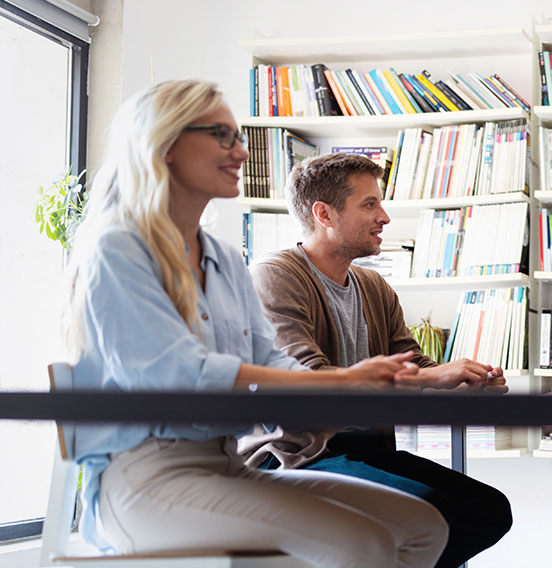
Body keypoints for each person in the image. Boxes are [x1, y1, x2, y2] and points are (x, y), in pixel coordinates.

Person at [62, 80, 448, 568]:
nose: (242, 152)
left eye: (239, 137)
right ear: (167, 144)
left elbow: (269, 360)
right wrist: (347, 380)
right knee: (361, 544)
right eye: (222, 136)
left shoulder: (223, 256)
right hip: (145, 482)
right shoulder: (117, 247)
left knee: (423, 527)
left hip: (227, 465)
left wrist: (363, 384)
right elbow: (180, 373)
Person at [238, 152, 512, 568]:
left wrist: (466, 379)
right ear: (324, 214)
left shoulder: (372, 284)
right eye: (370, 205)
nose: (383, 217)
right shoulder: (274, 275)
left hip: (365, 447)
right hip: (297, 454)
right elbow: (305, 378)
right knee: (427, 508)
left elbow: (414, 364)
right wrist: (432, 379)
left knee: (487, 511)